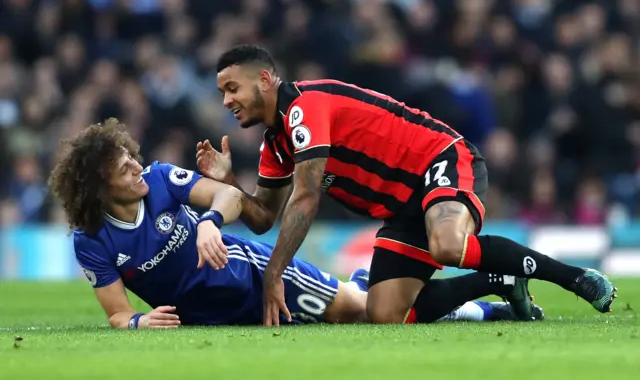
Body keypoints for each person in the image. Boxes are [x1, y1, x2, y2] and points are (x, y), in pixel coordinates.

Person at [205, 44, 616, 326]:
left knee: (448, 245)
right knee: (384, 314)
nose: (226, 100)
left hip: (439, 159)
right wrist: (228, 183)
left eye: (232, 88)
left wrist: (275, 273)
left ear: (264, 79)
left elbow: (307, 196)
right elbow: (262, 219)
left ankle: (575, 277)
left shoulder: (305, 107)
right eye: (222, 92)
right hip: (401, 208)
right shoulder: (276, 146)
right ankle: (499, 285)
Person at [48, 119, 540, 328]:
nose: (135, 165)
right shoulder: (91, 241)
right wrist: (139, 321)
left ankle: (492, 295)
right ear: (96, 184)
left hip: (255, 278)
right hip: (211, 316)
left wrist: (211, 221)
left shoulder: (158, 180)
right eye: (122, 165)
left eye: (131, 158)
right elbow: (116, 314)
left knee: (369, 314)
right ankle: (369, 280)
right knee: (364, 301)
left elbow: (223, 194)